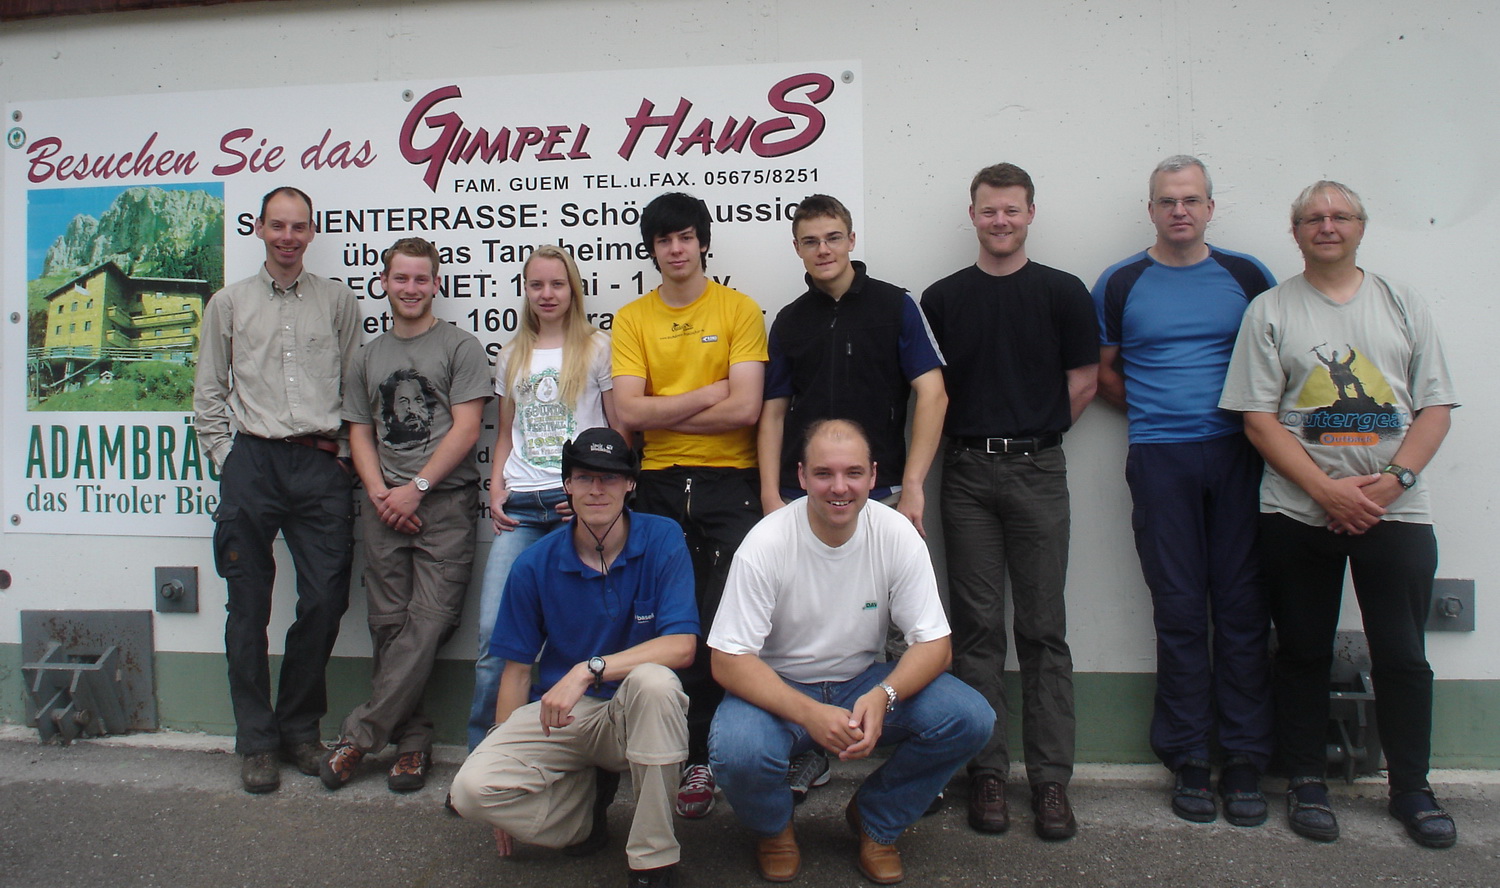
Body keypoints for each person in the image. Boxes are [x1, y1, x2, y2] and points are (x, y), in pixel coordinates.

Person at [1220, 181, 1459, 849]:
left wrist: (1392, 483)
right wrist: (1327, 492)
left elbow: (1435, 408)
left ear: (1360, 227)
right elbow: (1258, 419)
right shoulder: (1271, 310)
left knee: (1403, 654)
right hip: (1297, 511)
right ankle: (1305, 781)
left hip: (1396, 511)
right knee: (1301, 650)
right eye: (1313, 218)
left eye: (1340, 216)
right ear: (1296, 232)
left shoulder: (1402, 303)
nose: (1327, 226)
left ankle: (1412, 788)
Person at [709, 419, 992, 884]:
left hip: (861, 682)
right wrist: (809, 713)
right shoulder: (766, 542)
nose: (839, 487)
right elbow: (728, 659)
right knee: (737, 752)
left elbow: (936, 645)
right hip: (780, 688)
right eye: (824, 473)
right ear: (802, 477)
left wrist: (884, 695)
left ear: (873, 475)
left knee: (970, 718)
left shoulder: (895, 533)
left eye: (853, 473)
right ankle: (774, 828)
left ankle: (876, 820)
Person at [1092, 156, 1277, 825]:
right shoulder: (1120, 282)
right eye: (1167, 201)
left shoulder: (1248, 276)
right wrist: (1157, 411)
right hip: (1159, 458)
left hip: (1238, 453)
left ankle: (1247, 756)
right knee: (1178, 609)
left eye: (1191, 199)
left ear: (1209, 208)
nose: (1179, 210)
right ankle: (1190, 756)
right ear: (1151, 210)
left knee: (1242, 606)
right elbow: (1104, 373)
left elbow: (1275, 360)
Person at [920, 163, 1098, 840]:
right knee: (976, 630)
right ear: (973, 215)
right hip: (965, 473)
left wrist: (1033, 432)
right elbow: (932, 392)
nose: (1000, 221)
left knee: (1044, 629)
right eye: (989, 210)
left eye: (1012, 210)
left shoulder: (1063, 292)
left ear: (1030, 214)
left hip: (1038, 470)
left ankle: (1050, 782)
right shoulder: (942, 298)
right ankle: (986, 772)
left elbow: (1083, 380)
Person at [759, 193, 949, 800]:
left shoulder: (896, 306)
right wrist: (769, 495)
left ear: (851, 240)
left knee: (897, 635)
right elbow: (772, 412)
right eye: (811, 241)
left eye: (833, 237)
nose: (824, 250)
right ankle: (810, 753)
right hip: (804, 498)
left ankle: (911, 766)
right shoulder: (790, 320)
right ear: (797, 248)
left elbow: (933, 393)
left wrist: (913, 485)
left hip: (882, 495)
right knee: (808, 632)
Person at [450, 428, 698, 888]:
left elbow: (682, 645)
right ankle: (582, 816)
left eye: (610, 478)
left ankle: (653, 859)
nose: (596, 490)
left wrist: (589, 669)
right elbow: (516, 671)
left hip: (633, 711)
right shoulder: (535, 563)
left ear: (631, 484)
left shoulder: (662, 537)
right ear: (566, 485)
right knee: (470, 791)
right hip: (563, 716)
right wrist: (502, 771)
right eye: (584, 478)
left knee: (656, 683)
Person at [193, 186, 360, 794]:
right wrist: (228, 459)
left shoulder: (338, 302)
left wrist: (343, 460)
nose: (288, 236)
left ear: (312, 233)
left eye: (299, 226)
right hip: (253, 463)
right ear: (259, 229)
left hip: (319, 464)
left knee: (325, 600)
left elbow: (353, 387)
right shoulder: (228, 303)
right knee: (247, 608)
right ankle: (257, 742)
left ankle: (298, 730)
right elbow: (209, 392)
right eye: (278, 225)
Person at [611, 192, 768, 818]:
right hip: (656, 481)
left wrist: (662, 409)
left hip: (730, 482)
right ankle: (660, 750)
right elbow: (629, 412)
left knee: (723, 621)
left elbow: (746, 409)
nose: (676, 249)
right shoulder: (632, 318)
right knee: (660, 621)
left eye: (685, 237)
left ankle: (708, 755)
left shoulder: (739, 309)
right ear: (651, 250)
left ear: (703, 242)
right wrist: (707, 393)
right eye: (664, 240)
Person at [318, 237, 491, 792]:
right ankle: (413, 746)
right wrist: (381, 494)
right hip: (381, 504)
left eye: (421, 279)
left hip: (444, 502)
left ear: (436, 283)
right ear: (384, 283)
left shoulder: (460, 347)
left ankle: (358, 735)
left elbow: (468, 428)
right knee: (389, 625)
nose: (411, 288)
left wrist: (415, 489)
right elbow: (359, 431)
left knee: (431, 620)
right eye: (401, 278)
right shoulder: (367, 357)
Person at [467, 245, 620, 750]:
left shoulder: (598, 347)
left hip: (573, 508)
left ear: (573, 289)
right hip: (520, 511)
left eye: (557, 284)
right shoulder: (512, 354)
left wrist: (590, 495)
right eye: (537, 285)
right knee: (495, 634)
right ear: (526, 291)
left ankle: (569, 752)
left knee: (579, 634)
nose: (547, 294)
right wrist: (495, 485)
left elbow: (617, 432)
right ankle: (485, 755)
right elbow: (505, 433)